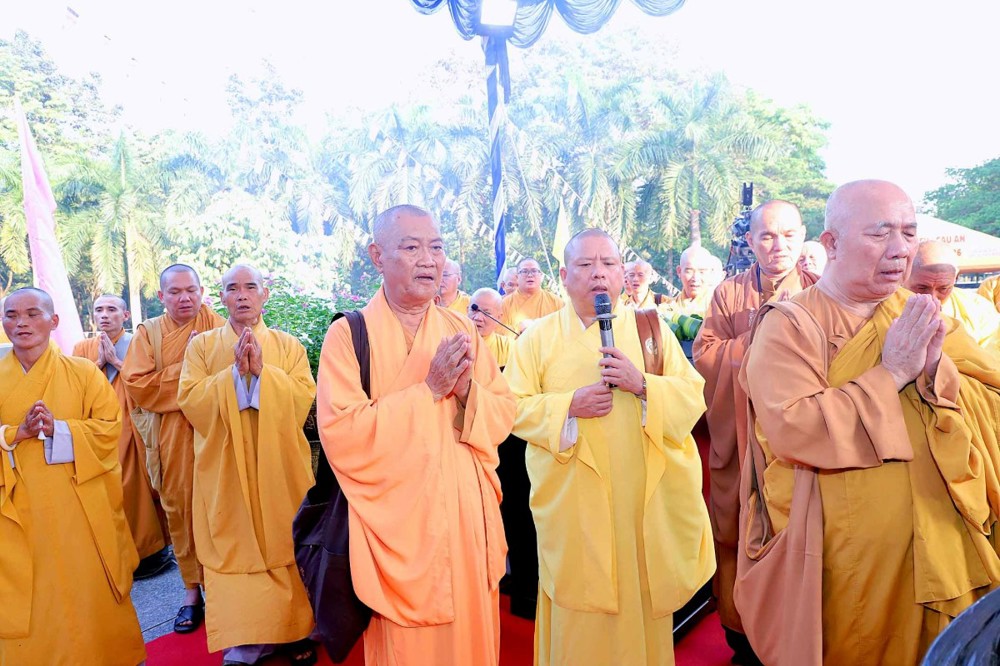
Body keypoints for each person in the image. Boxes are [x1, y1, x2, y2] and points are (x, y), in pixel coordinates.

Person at [741, 180, 1000, 665]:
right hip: (851, 561)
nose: (900, 249)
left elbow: (990, 396)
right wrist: (892, 373)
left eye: (909, 232)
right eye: (881, 233)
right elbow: (795, 429)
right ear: (832, 243)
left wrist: (935, 371)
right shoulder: (791, 325)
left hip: (942, 537)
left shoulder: (917, 312)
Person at [316, 204, 516, 665]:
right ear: (377, 256)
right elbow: (343, 434)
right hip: (398, 529)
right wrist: (428, 391)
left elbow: (503, 412)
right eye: (411, 248)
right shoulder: (349, 336)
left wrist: (466, 392)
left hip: (466, 521)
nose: (428, 260)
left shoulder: (462, 328)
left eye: (436, 248)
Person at [504, 228, 714, 666]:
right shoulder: (537, 338)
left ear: (622, 273)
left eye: (609, 264)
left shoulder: (651, 330)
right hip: (573, 505)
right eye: (585, 264)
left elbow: (692, 396)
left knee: (640, 605)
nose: (598, 274)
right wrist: (568, 406)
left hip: (641, 504)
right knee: (578, 611)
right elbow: (510, 407)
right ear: (564, 276)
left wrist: (643, 385)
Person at [692, 199, 815, 663]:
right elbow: (706, 354)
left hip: (798, 445)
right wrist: (765, 339)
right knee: (736, 534)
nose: (778, 245)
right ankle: (740, 636)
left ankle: (794, 637)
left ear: (803, 236)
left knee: (800, 538)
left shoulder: (820, 290)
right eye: (766, 235)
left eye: (788, 235)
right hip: (741, 441)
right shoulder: (728, 294)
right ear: (750, 241)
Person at [177, 264, 317, 665]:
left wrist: (262, 375)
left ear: (264, 294)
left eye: (250, 287)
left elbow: (304, 397)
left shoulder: (288, 346)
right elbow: (190, 399)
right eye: (232, 288)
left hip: (279, 463)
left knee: (284, 536)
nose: (242, 295)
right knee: (232, 543)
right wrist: (234, 377)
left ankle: (294, 632)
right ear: (220, 297)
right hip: (224, 467)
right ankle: (243, 642)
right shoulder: (201, 347)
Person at [0, 288, 145, 665]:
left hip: (79, 508)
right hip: (16, 512)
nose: (21, 322)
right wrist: (15, 434)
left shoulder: (83, 373)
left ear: (54, 321)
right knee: (31, 597)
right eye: (12, 315)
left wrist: (60, 429)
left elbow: (110, 428)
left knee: (87, 588)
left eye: (32, 313)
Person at [122, 264, 225, 633]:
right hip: (174, 435)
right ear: (161, 296)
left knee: (221, 509)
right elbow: (138, 385)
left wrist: (200, 367)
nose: (185, 298)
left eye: (191, 290)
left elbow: (230, 371)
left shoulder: (218, 325)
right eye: (176, 292)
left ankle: (226, 589)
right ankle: (192, 591)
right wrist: (191, 366)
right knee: (181, 510)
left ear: (202, 292)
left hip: (215, 429)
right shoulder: (148, 333)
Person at [73, 294, 172, 578]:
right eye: (99, 310)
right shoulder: (82, 348)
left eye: (112, 309)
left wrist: (116, 362)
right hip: (98, 427)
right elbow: (75, 387)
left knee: (139, 486)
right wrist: (97, 363)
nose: (105, 315)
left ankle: (150, 551)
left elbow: (150, 382)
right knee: (109, 488)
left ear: (125, 315)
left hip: (134, 423)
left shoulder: (138, 343)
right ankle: (116, 552)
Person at [904, 240, 1000, 352]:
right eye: (922, 288)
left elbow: (991, 358)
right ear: (904, 276)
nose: (933, 298)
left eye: (943, 288)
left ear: (955, 278)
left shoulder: (980, 310)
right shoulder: (888, 307)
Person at [500, 258, 563, 334]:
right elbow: (498, 332)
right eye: (524, 271)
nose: (530, 275)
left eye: (534, 271)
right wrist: (518, 328)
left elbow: (566, 330)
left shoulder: (556, 302)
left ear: (541, 275)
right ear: (517, 277)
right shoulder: (505, 304)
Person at [662, 245, 717, 319]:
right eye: (689, 271)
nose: (695, 278)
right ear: (679, 271)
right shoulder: (666, 311)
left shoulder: (720, 307)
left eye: (702, 272)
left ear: (710, 273)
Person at [468, 287, 511, 368]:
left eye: (486, 313)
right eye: (473, 310)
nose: (478, 318)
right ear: (467, 310)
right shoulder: (452, 342)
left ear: (499, 317)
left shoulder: (508, 347)